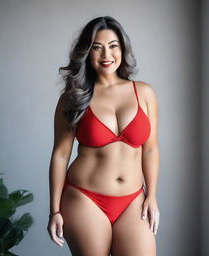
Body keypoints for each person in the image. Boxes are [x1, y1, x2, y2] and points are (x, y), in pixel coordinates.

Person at [47, 15, 160, 256]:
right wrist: (54, 211)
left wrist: (152, 196)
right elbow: (60, 155)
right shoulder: (73, 97)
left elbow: (150, 149)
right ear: (87, 53)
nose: (106, 55)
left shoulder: (144, 92)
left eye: (113, 46)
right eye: (97, 48)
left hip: (133, 200)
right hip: (84, 198)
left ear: (123, 49)